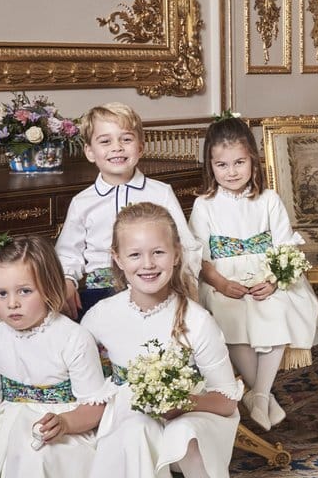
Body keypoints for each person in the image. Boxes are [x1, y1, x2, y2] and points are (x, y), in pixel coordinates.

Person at [82, 202, 241, 478]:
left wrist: (184, 403)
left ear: (176, 254)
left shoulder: (198, 321)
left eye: (158, 252)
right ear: (117, 259)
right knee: (135, 428)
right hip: (129, 418)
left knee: (185, 433)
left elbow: (226, 400)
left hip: (192, 415)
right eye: (134, 255)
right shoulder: (100, 317)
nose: (148, 264)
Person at [0, 234, 111, 477]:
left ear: (49, 287)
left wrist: (66, 423)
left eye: (24, 291)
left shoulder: (74, 338)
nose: (12, 303)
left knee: (33, 457)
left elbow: (93, 408)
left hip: (58, 428)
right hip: (5, 424)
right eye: (1, 294)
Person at [190, 114, 318, 432]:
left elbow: (287, 246)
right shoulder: (204, 205)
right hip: (224, 280)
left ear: (253, 161)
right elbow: (198, 258)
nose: (231, 172)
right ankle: (262, 396)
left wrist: (274, 280)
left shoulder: (269, 200)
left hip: (266, 275)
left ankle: (258, 395)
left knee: (275, 309)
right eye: (222, 165)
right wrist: (220, 282)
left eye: (239, 163)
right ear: (211, 166)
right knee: (228, 315)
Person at [56, 103, 201, 318]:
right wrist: (67, 280)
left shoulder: (161, 193)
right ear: (89, 151)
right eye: (105, 141)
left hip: (156, 287)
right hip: (100, 294)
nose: (117, 147)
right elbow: (67, 253)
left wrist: (184, 287)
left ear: (140, 147)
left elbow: (186, 245)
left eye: (126, 139)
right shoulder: (82, 202)